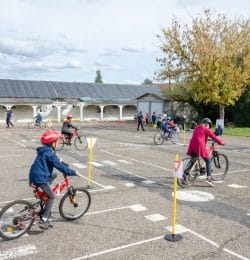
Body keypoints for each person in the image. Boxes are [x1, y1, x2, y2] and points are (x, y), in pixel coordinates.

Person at [29, 130, 80, 230]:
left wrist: (58, 159)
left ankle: (45, 192)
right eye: (57, 141)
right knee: (51, 196)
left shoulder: (44, 150)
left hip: (34, 175)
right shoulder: (49, 154)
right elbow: (60, 167)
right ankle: (44, 219)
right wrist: (73, 172)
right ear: (52, 143)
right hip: (40, 178)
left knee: (54, 174)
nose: (58, 142)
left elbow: (53, 158)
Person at [186, 118, 225, 187]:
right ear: (207, 124)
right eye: (209, 126)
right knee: (208, 160)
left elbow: (200, 135)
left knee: (193, 160)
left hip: (192, 145)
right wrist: (221, 142)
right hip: (199, 145)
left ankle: (185, 174)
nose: (209, 127)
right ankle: (209, 179)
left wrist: (206, 138)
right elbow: (213, 137)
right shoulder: (206, 129)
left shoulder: (197, 128)